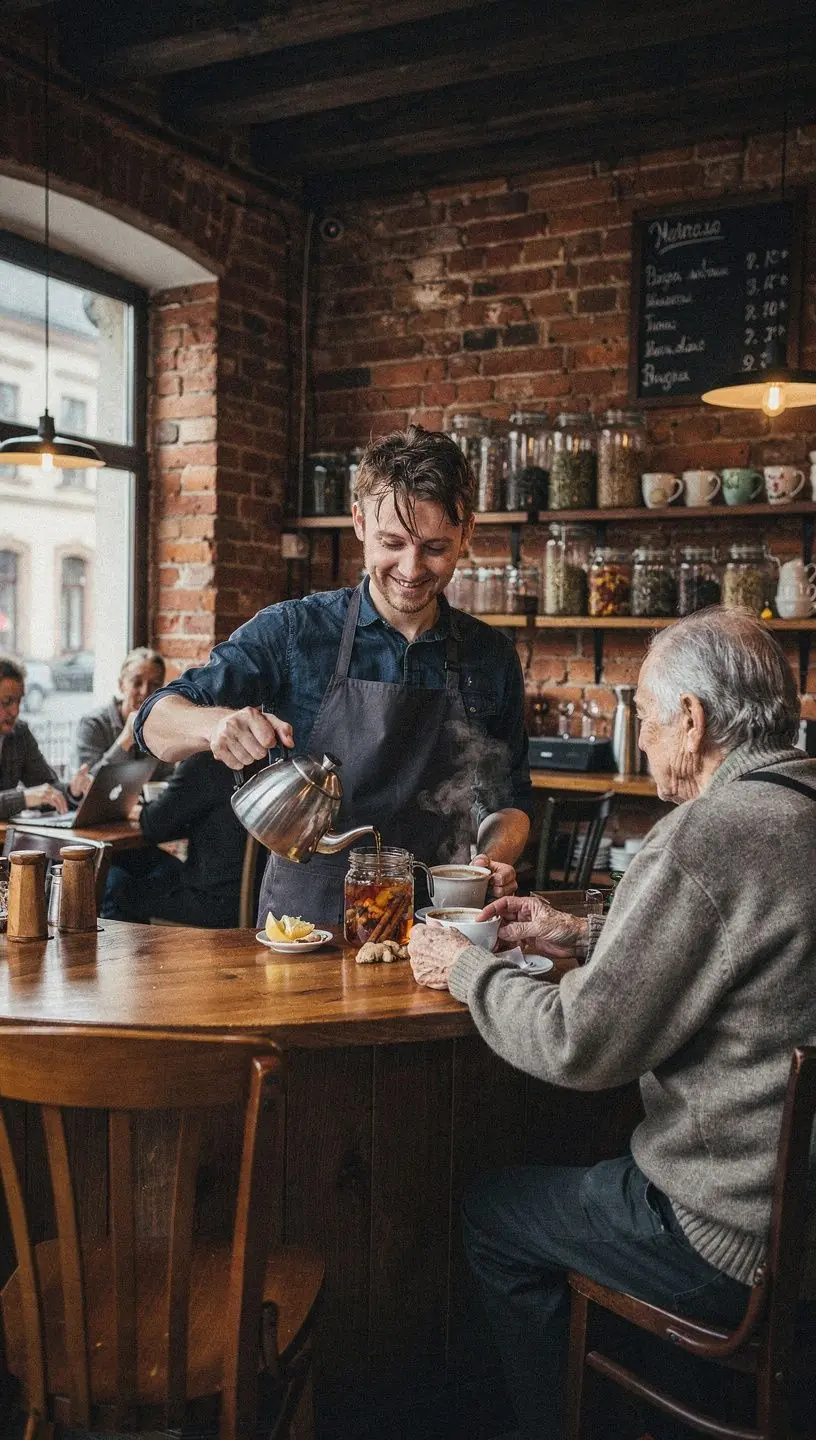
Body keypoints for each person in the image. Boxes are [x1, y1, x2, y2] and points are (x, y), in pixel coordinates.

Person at [408, 607, 816, 1439]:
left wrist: (466, 969)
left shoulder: (706, 835)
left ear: (693, 720)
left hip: (729, 1242)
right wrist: (580, 932)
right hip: (801, 1220)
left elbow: (577, 1044)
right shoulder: (798, 805)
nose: (644, 731)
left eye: (644, 711)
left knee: (494, 1213)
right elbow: (745, 949)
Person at [135, 425, 533, 926]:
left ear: (467, 533)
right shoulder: (294, 632)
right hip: (305, 930)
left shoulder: (489, 655)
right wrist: (215, 726)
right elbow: (153, 722)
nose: (411, 569)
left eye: (435, 548)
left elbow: (511, 801)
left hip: (439, 933)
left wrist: (493, 857)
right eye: (393, 542)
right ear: (360, 522)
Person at [101, 750, 246, 927]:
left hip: (213, 904)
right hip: (253, 898)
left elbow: (153, 825)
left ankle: (129, 954)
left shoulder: (204, 760)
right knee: (160, 865)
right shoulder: (260, 758)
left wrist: (139, 811)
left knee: (111, 883)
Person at [0, 655, 91, 819]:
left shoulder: (19, 733)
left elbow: (45, 787)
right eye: (7, 702)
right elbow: (31, 796)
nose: (15, 711)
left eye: (19, 701)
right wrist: (24, 798)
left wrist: (72, 789)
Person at [75, 646, 173, 778]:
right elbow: (88, 784)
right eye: (137, 683)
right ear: (121, 685)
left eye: (154, 684)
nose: (145, 691)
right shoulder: (93, 724)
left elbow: (168, 777)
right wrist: (126, 739)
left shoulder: (162, 725)